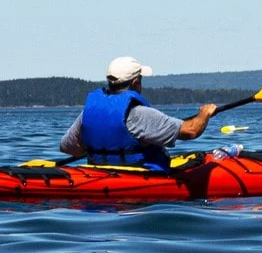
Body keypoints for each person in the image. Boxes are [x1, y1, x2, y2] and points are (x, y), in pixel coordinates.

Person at [60, 56, 218, 170]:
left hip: (99, 178)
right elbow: (191, 131)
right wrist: (204, 114)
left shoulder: (87, 114)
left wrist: (101, 150)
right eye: (141, 80)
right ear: (135, 83)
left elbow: (68, 147)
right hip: (141, 181)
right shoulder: (139, 114)